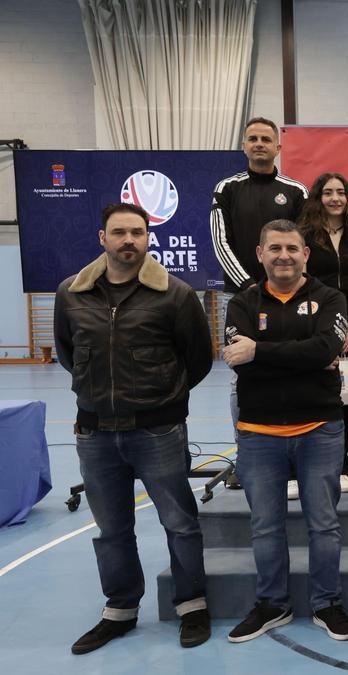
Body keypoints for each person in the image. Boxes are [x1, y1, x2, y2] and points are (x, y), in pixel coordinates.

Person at [54, 203, 213, 654]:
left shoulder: (176, 295)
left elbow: (198, 359)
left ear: (148, 238)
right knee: (112, 529)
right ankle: (120, 611)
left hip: (158, 431)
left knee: (180, 523)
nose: (129, 240)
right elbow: (69, 353)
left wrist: (163, 400)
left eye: (137, 233)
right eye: (119, 232)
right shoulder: (71, 294)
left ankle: (192, 605)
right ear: (102, 237)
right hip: (95, 434)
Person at [223, 220, 348, 643]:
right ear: (260, 254)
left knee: (324, 524)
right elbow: (238, 358)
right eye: (275, 248)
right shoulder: (241, 303)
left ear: (306, 255)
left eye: (292, 248)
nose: (284, 255)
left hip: (319, 428)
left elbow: (323, 349)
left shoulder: (331, 298)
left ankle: (327, 602)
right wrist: (301, 356)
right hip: (258, 432)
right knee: (265, 525)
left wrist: (260, 350)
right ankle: (272, 604)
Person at [297, 172, 348, 492]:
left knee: (344, 400)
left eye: (341, 192)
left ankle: (341, 465)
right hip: (313, 324)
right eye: (328, 192)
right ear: (318, 198)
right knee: (309, 396)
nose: (335, 198)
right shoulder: (305, 236)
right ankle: (305, 466)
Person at [210, 117, 308, 293]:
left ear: (278, 149)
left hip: (287, 292)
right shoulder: (226, 188)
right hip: (239, 293)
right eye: (253, 139)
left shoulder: (297, 191)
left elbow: (304, 244)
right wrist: (247, 285)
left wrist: (290, 284)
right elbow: (221, 243)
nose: (259, 144)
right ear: (244, 146)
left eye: (266, 139)